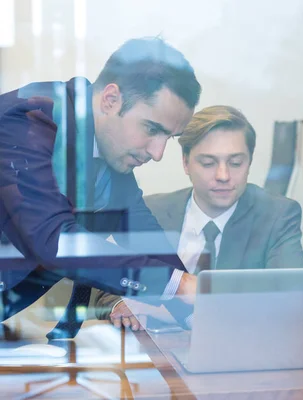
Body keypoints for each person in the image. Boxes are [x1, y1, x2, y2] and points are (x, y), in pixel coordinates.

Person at [0, 37, 201, 336]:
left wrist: (203, 314)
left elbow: (146, 239)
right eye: (152, 129)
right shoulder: (27, 119)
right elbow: (53, 240)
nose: (158, 153)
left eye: (169, 138)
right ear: (111, 100)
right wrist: (178, 285)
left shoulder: (109, 154)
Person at [94, 105, 303, 327]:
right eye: (208, 163)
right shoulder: (150, 210)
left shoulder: (276, 216)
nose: (223, 176)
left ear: (249, 162)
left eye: (235, 163)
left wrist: (168, 312)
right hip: (153, 351)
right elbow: (106, 291)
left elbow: (291, 301)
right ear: (185, 163)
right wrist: (122, 306)